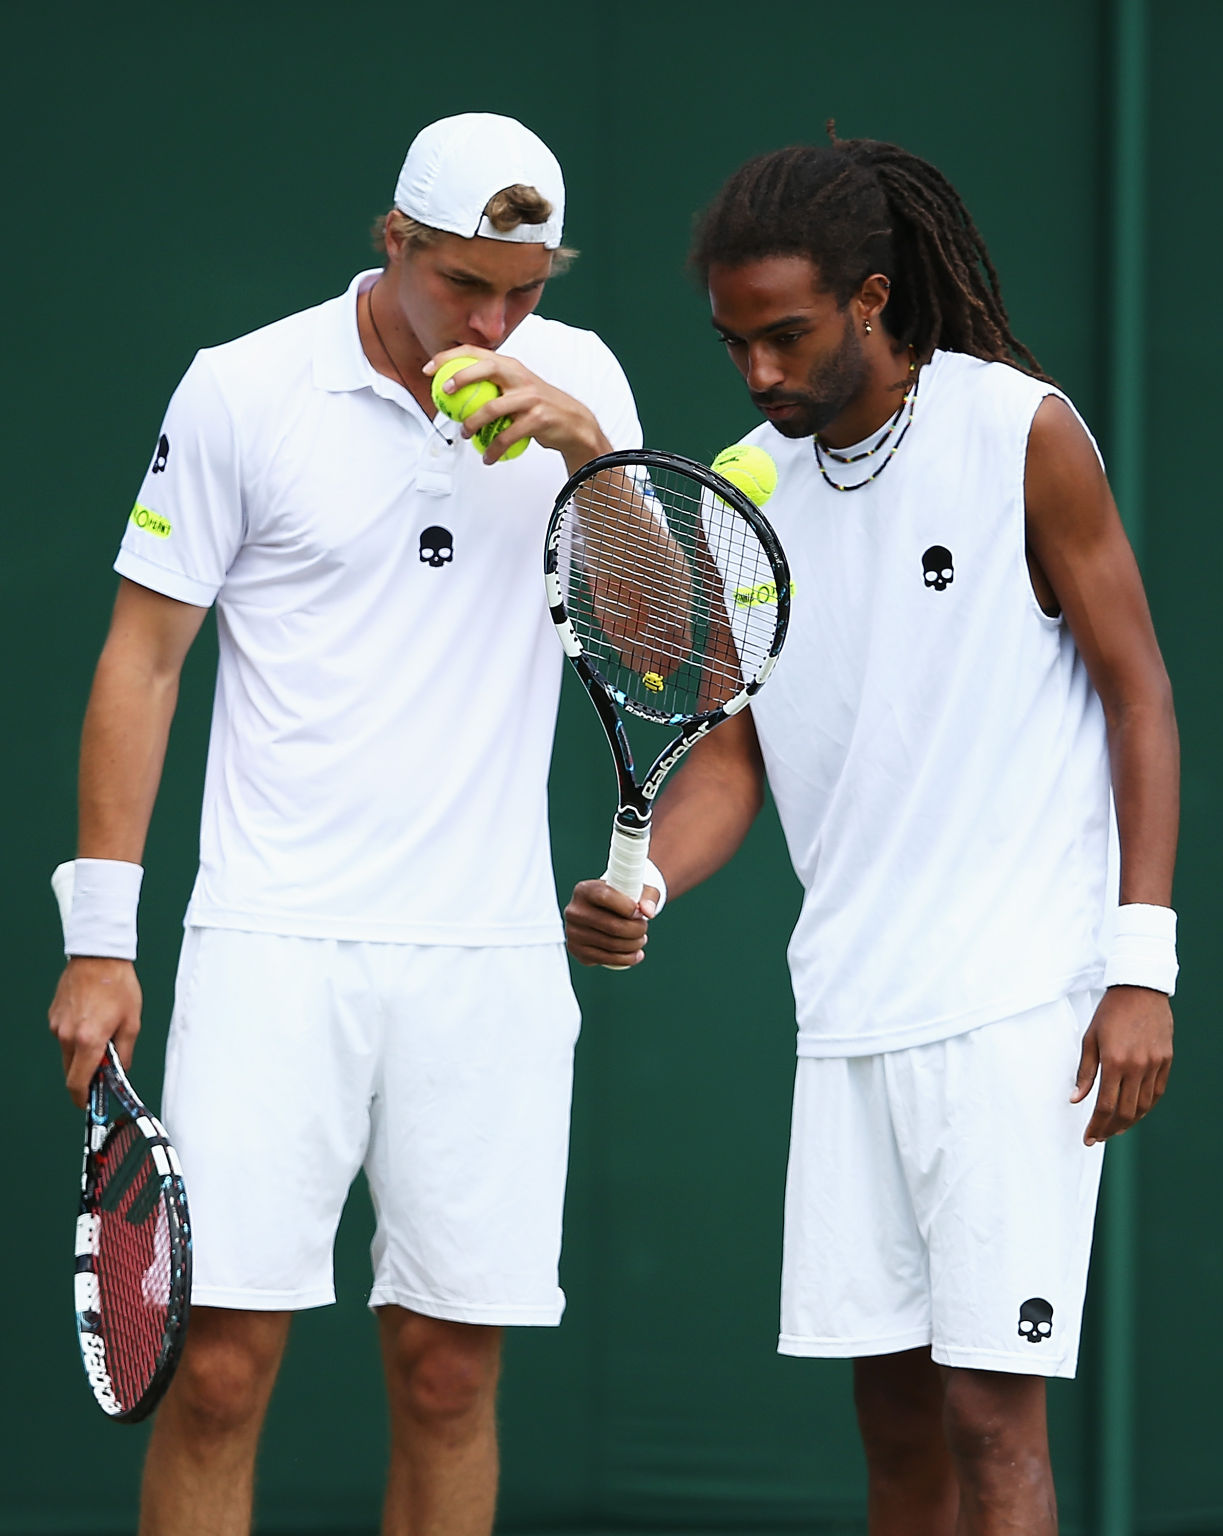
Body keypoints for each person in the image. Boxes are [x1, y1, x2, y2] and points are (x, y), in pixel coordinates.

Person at [565, 132, 1178, 1535]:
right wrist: (648, 879)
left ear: (875, 299)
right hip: (846, 1013)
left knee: (991, 1423)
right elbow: (732, 762)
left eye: (785, 336)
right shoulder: (744, 491)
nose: (760, 373)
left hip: (1017, 1007)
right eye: (733, 345)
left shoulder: (1019, 430)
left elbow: (1142, 698)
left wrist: (1144, 963)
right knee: (894, 1424)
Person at [48, 112, 641, 1536]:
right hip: (273, 943)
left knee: (447, 1376)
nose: (495, 319)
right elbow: (142, 661)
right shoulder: (244, 390)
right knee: (223, 1370)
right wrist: (99, 941)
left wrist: (588, 457)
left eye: (526, 287)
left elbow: (654, 644)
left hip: (488, 961)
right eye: (461, 283)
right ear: (392, 242)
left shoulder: (583, 383)